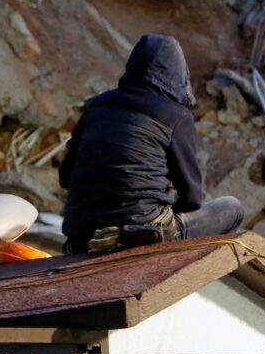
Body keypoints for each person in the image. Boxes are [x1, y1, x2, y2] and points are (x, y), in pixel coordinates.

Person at [59, 34, 245, 254]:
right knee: (232, 208)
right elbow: (192, 199)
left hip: (81, 234)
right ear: (178, 74)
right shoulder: (175, 116)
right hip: (141, 232)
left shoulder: (98, 105)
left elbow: (65, 177)